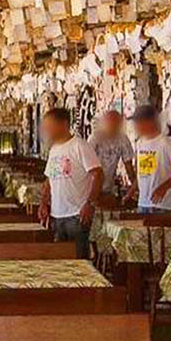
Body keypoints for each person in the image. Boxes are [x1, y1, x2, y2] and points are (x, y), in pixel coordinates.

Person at [37, 108, 102, 259]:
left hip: (77, 214)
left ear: (64, 125)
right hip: (57, 214)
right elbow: (49, 179)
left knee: (79, 260)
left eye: (50, 126)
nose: (46, 130)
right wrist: (43, 203)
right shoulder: (54, 149)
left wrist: (90, 203)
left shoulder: (80, 146)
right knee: (61, 259)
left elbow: (98, 174)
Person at [126, 105, 171, 213]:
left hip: (163, 206)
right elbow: (142, 172)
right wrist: (131, 191)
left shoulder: (166, 143)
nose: (135, 126)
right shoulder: (140, 143)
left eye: (138, 122)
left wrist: (164, 187)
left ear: (149, 122)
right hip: (143, 203)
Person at [87, 110, 137, 198]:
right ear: (105, 124)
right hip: (90, 188)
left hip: (108, 187)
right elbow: (88, 165)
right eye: (111, 124)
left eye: (116, 124)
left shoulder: (123, 139)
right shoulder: (95, 138)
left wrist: (134, 187)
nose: (113, 127)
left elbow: (129, 166)